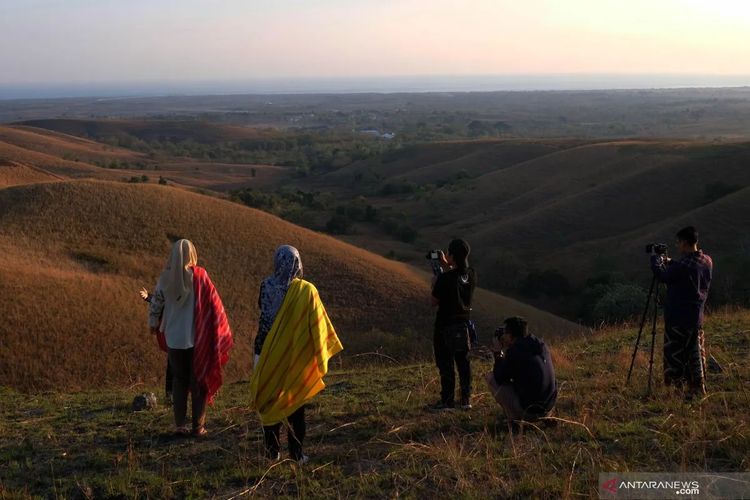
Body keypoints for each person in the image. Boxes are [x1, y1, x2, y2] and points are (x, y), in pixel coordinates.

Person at [250, 245, 343, 464]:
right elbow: (316, 325)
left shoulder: (265, 285)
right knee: (296, 405)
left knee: (269, 400)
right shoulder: (307, 291)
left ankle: (272, 452)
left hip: (265, 352)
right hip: (294, 356)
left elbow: (263, 312)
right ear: (298, 264)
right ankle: (296, 454)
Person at [148, 239, 234, 437]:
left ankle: (179, 425)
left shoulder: (165, 277)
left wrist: (153, 325)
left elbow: (156, 305)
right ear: (191, 254)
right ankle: (198, 427)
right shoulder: (200, 276)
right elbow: (215, 305)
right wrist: (219, 329)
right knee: (198, 381)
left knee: (179, 379)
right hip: (197, 338)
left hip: (173, 339)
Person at [651, 226, 713, 396]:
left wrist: (655, 261)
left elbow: (664, 276)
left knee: (675, 355)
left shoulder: (683, 266)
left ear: (685, 242)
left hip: (678, 317)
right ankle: (697, 387)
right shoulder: (707, 260)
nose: (677, 246)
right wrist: (670, 261)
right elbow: (686, 269)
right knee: (694, 352)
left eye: (678, 242)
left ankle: (677, 388)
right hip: (696, 316)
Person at [430, 239, 477, 410]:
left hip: (444, 325)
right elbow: (458, 277)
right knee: (463, 362)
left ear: (452, 256)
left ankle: (447, 401)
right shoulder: (471, 274)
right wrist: (449, 266)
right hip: (463, 325)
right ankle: (466, 399)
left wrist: (436, 281)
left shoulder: (444, 279)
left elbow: (434, 301)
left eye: (448, 253)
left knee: (446, 363)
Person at [485, 317, 557, 425]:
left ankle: (513, 420)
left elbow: (499, 377)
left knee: (490, 378)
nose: (503, 336)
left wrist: (497, 352)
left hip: (529, 412)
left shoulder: (516, 351)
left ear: (510, 335)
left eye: (504, 333)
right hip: (549, 408)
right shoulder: (541, 345)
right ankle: (545, 417)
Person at [139, 287, 173, 405]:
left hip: (187, 338)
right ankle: (170, 399)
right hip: (176, 338)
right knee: (172, 369)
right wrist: (148, 297)